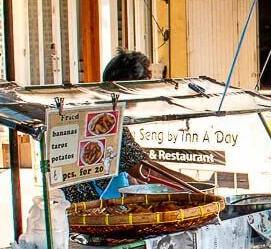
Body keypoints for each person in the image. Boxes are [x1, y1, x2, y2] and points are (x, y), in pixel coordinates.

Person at [63, 50, 199, 203]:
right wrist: (196, 188)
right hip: (89, 208)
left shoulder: (103, 111)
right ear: (127, 86)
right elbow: (144, 170)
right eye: (142, 86)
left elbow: (128, 167)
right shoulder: (106, 119)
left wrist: (130, 179)